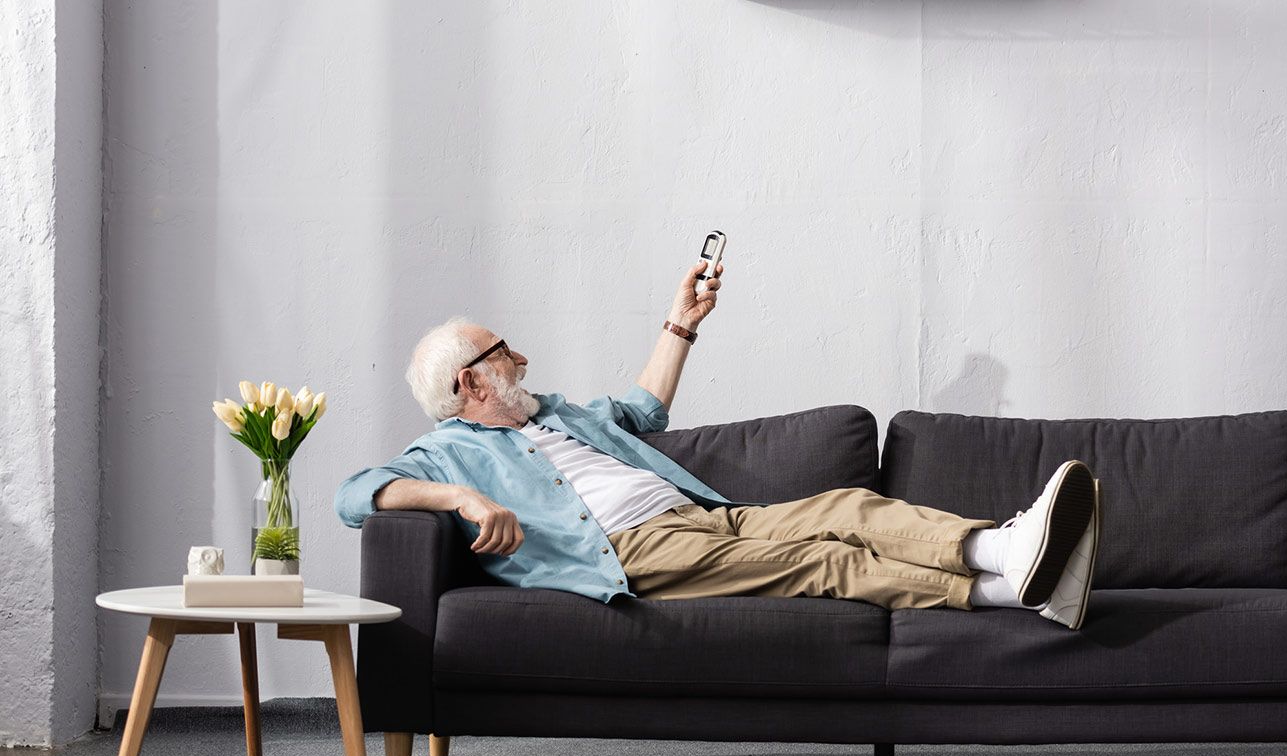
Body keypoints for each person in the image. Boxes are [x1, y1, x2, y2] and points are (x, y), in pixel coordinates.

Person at [335, 259, 1103, 628]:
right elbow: (353, 494)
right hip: (631, 550)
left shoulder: (556, 415)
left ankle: (1004, 553)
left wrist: (681, 323)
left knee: (849, 507)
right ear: (468, 382)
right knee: (822, 561)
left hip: (703, 518)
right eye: (504, 352)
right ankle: (1011, 588)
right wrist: (463, 498)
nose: (523, 359)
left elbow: (641, 409)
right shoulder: (448, 452)